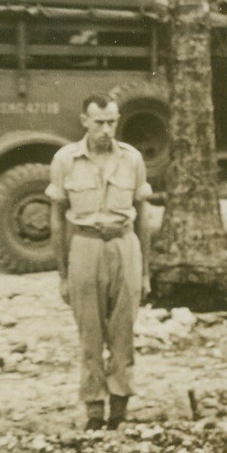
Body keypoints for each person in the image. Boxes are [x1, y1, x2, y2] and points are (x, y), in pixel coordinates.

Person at [49, 94, 152, 431]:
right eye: (99, 123)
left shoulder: (132, 159)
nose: (106, 129)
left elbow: (143, 216)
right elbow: (57, 219)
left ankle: (119, 410)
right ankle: (94, 411)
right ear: (84, 122)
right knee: (90, 334)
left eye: (112, 122)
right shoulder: (65, 160)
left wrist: (146, 270)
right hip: (85, 246)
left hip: (124, 245)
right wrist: (63, 274)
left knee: (123, 332)